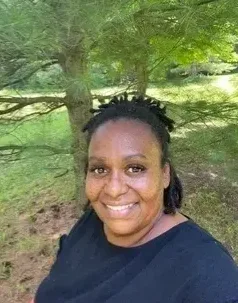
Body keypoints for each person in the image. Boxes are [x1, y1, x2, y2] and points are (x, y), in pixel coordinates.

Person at [33, 94, 238, 303]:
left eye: (135, 168)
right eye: (100, 169)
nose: (113, 190)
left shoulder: (208, 278)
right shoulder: (91, 221)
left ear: (165, 174)